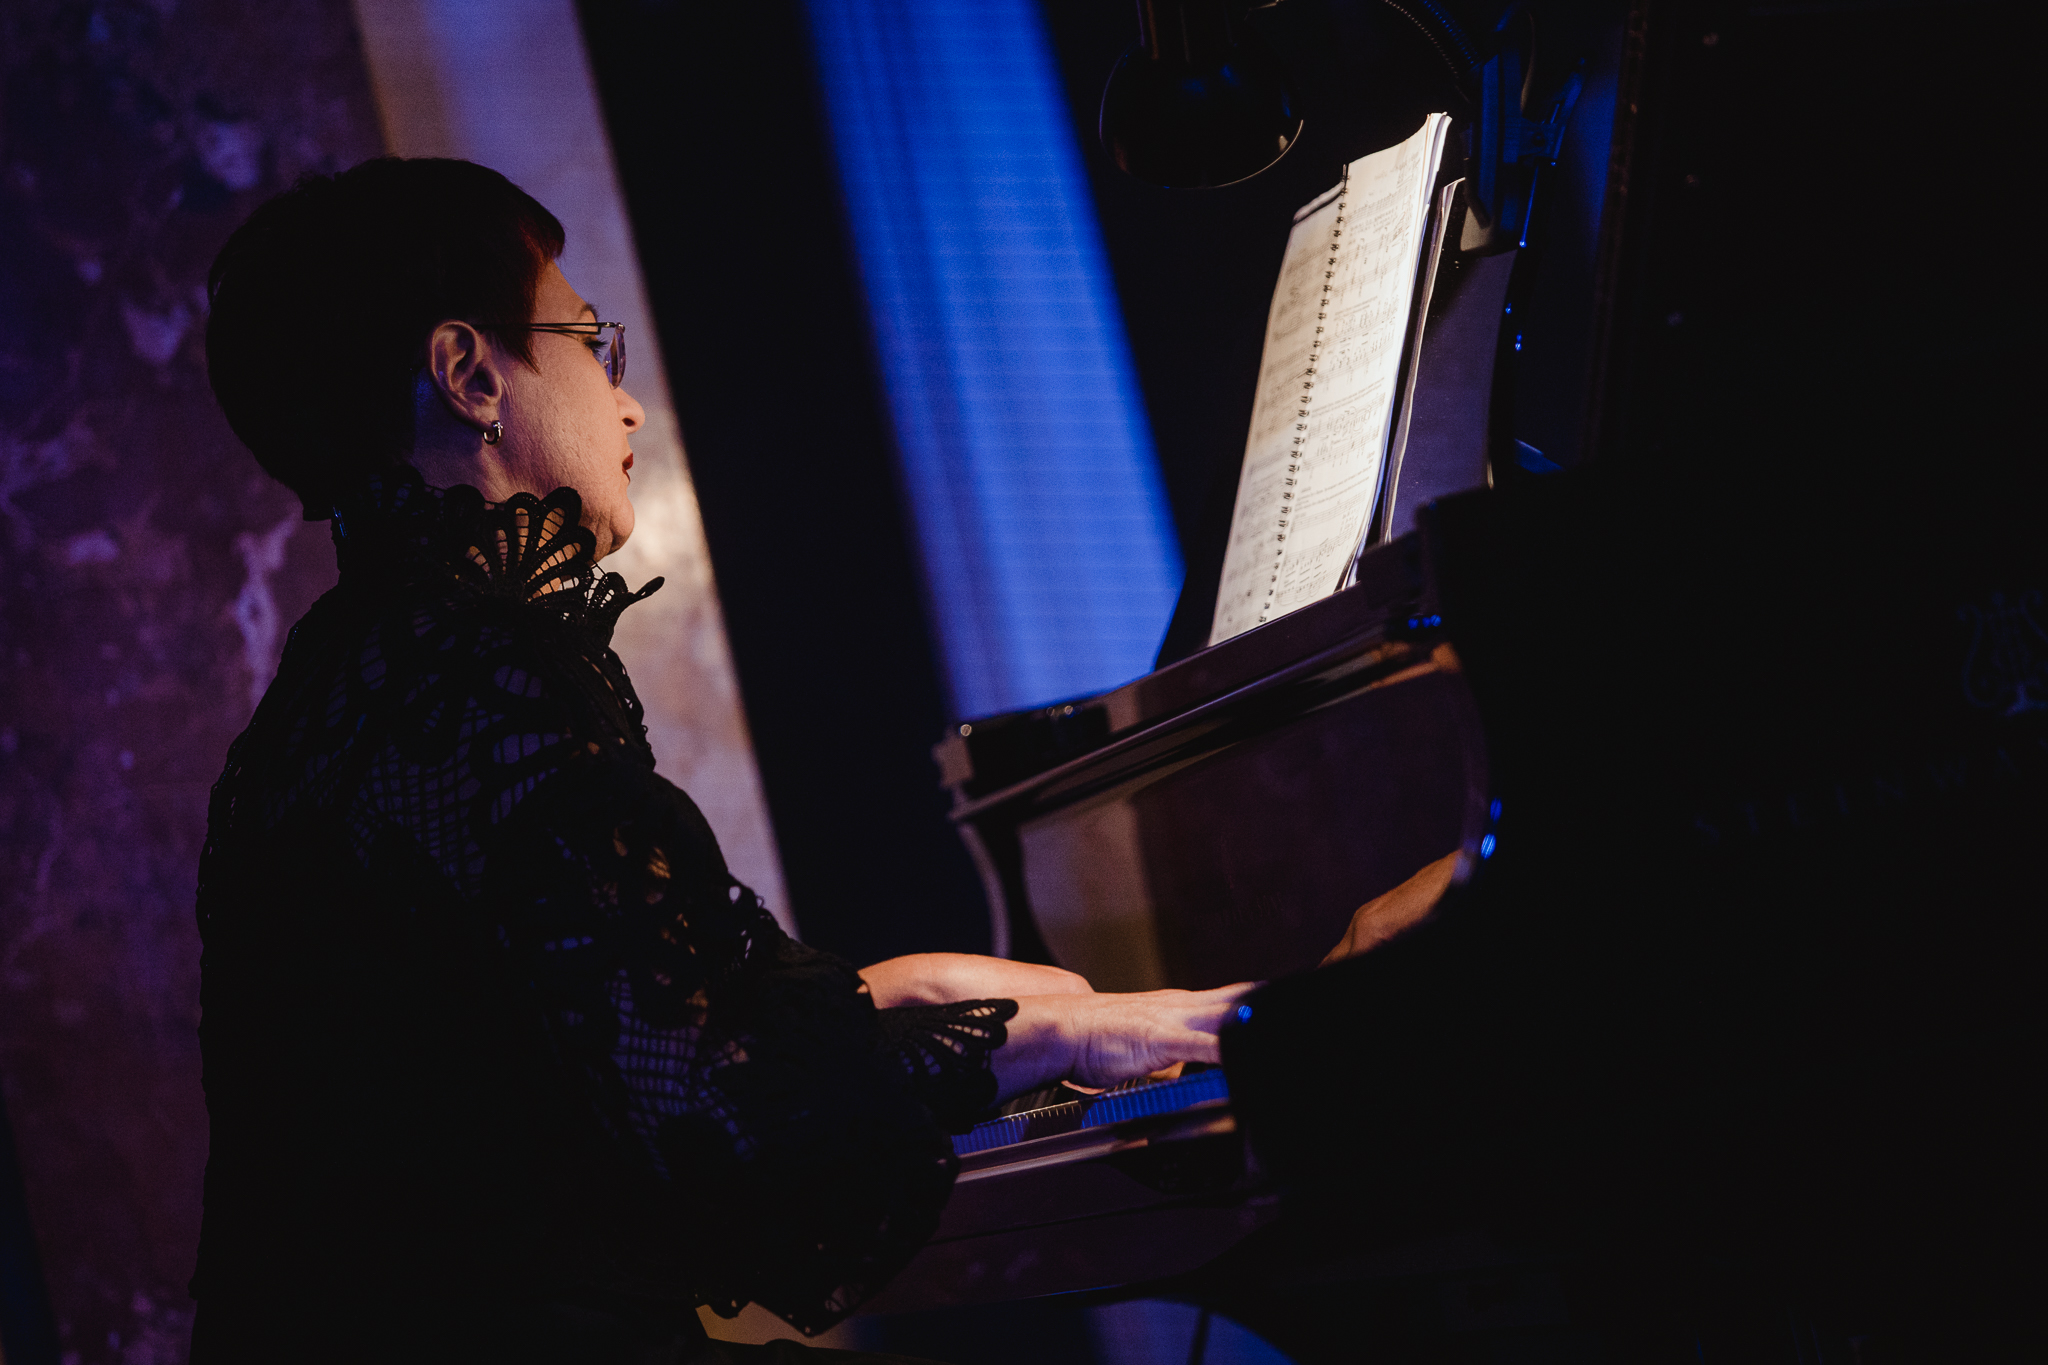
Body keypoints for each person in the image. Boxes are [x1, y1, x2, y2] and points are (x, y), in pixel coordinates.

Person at [190, 157, 1250, 1364]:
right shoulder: (488, 663)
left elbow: (528, 1084)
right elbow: (731, 1125)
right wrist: (1051, 1040)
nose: (627, 406)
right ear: (470, 373)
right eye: (591, 345)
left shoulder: (325, 703)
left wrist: (877, 998)